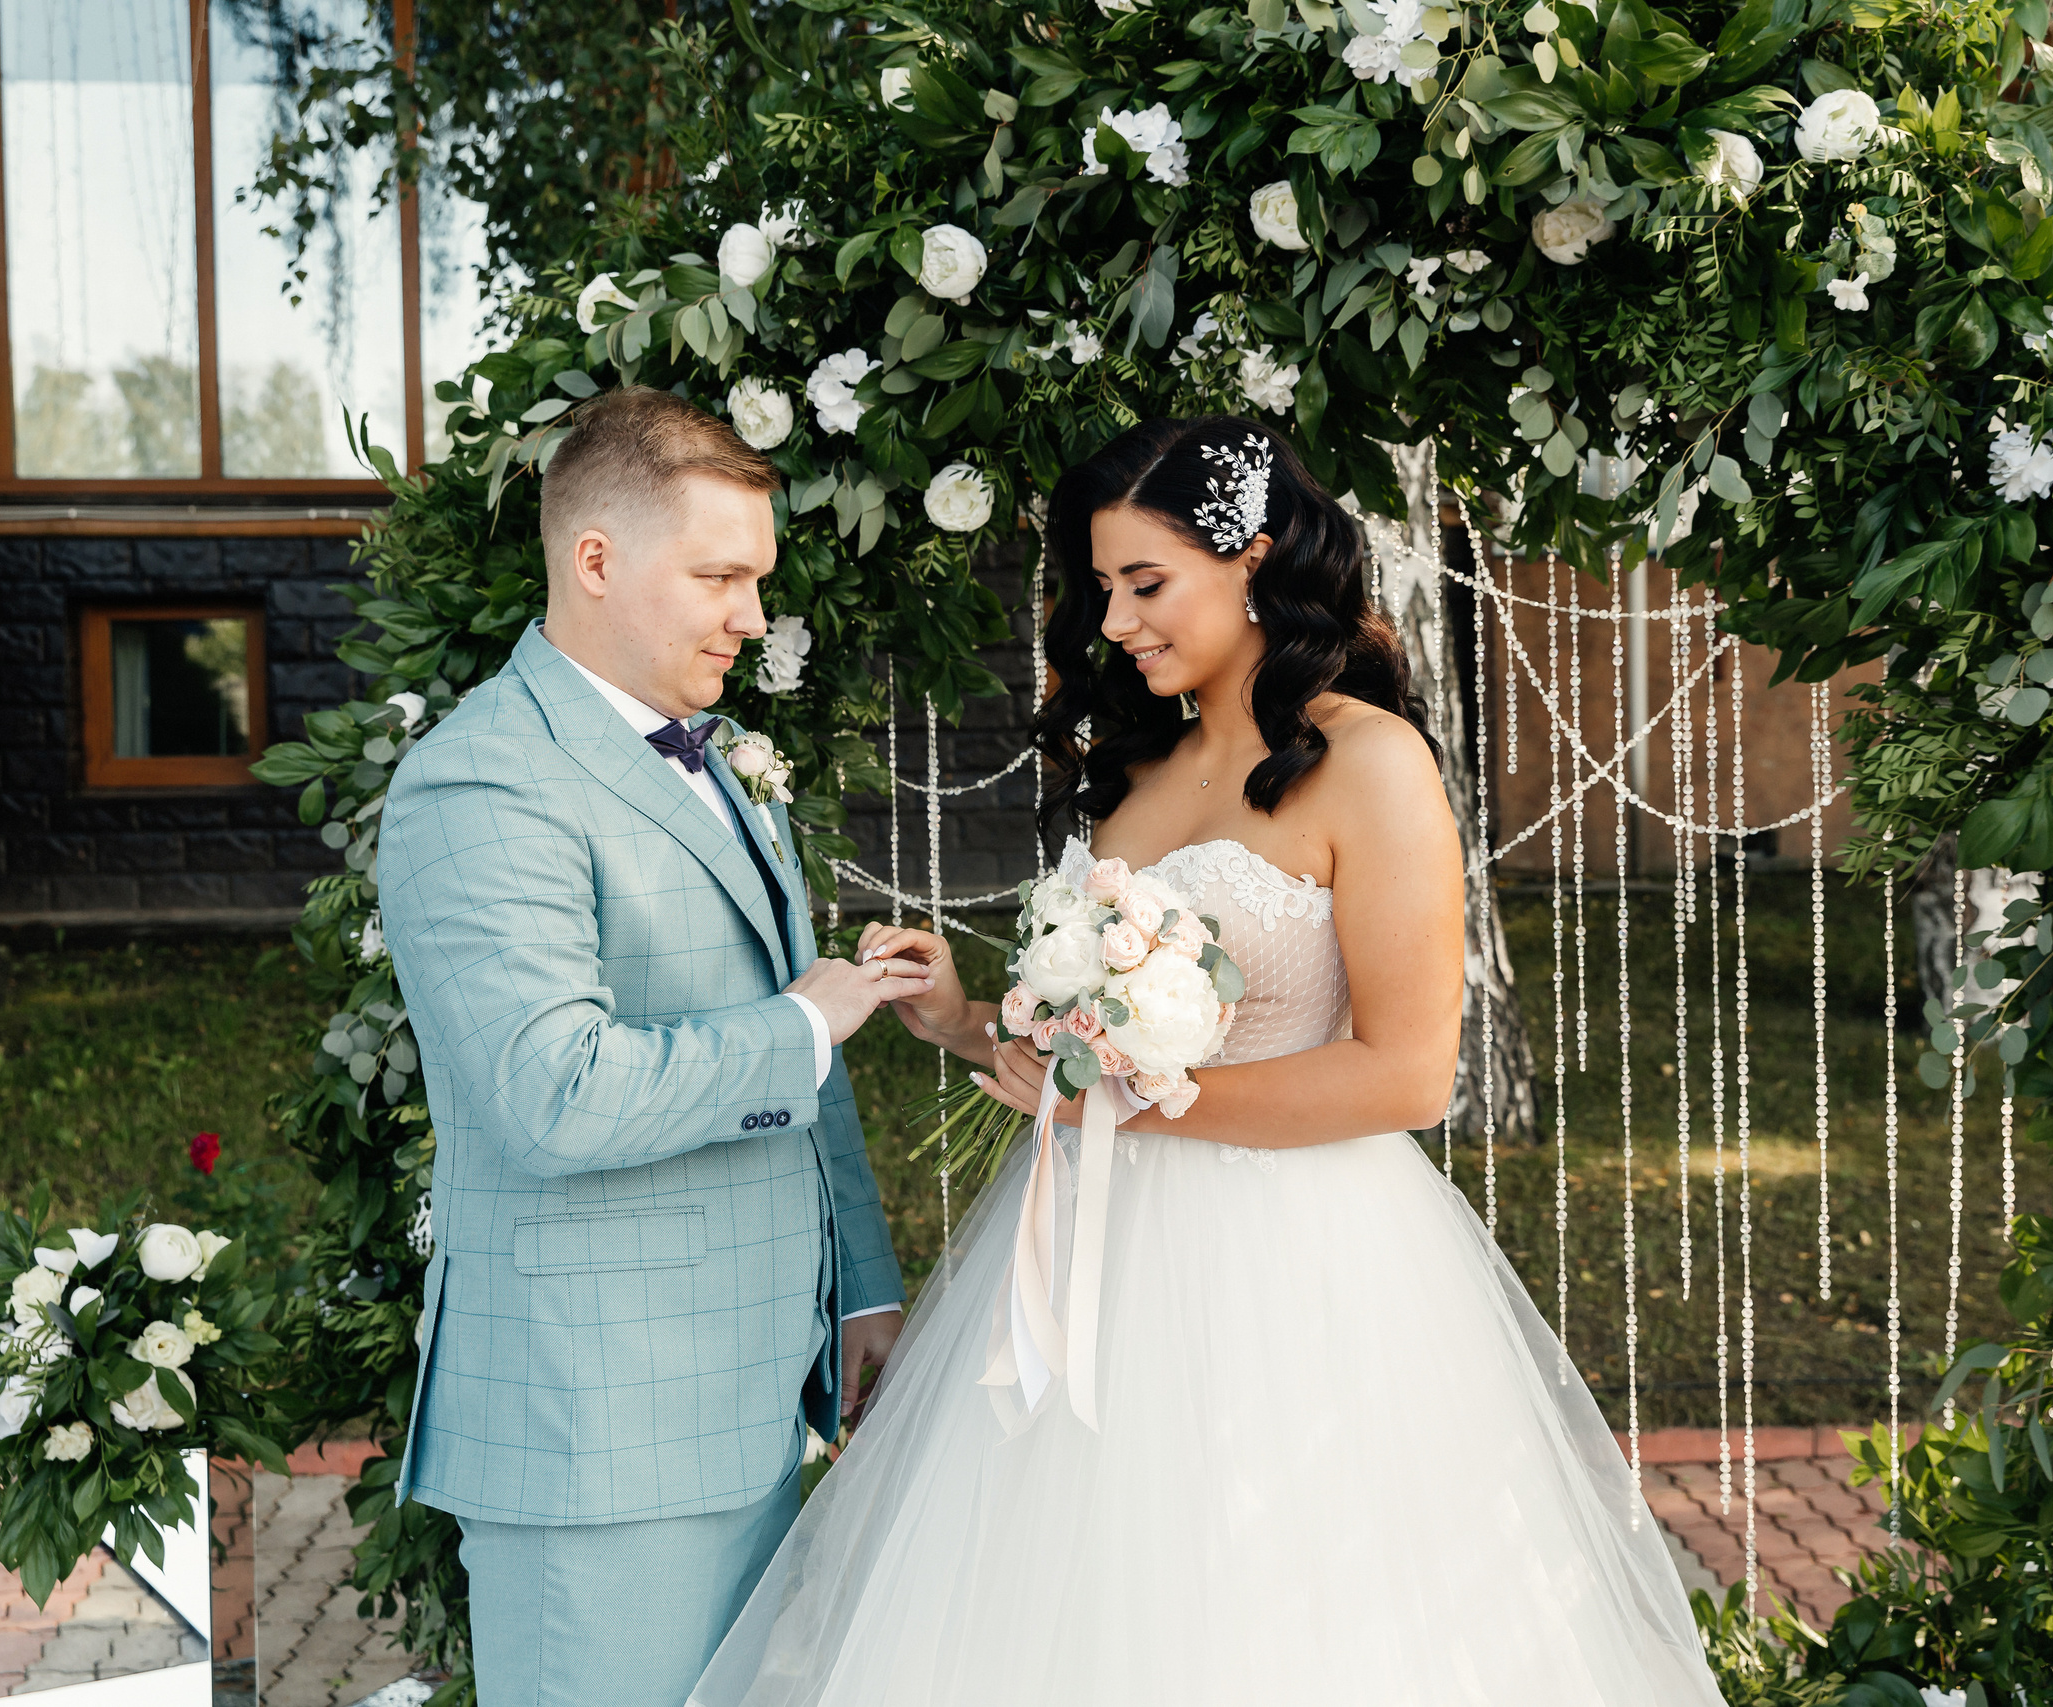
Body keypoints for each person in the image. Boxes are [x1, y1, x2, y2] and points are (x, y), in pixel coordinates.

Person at [690, 416, 1729, 1705]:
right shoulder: (1141, 765)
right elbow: (1081, 1036)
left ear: (1252, 559)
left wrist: (1127, 1109)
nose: (1117, 622)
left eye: (1145, 583)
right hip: (1091, 1246)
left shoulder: (1371, 762)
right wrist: (968, 1020)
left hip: (1304, 1260)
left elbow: (1410, 1074)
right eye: (1103, 588)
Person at [376, 386, 929, 1706]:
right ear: (597, 561)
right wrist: (809, 1016)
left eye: (760, 579)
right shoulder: (484, 780)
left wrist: (859, 1280)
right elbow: (553, 1097)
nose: (753, 614)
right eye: (722, 576)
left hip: (754, 1398)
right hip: (600, 1435)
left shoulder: (728, 758)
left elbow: (804, 1038)